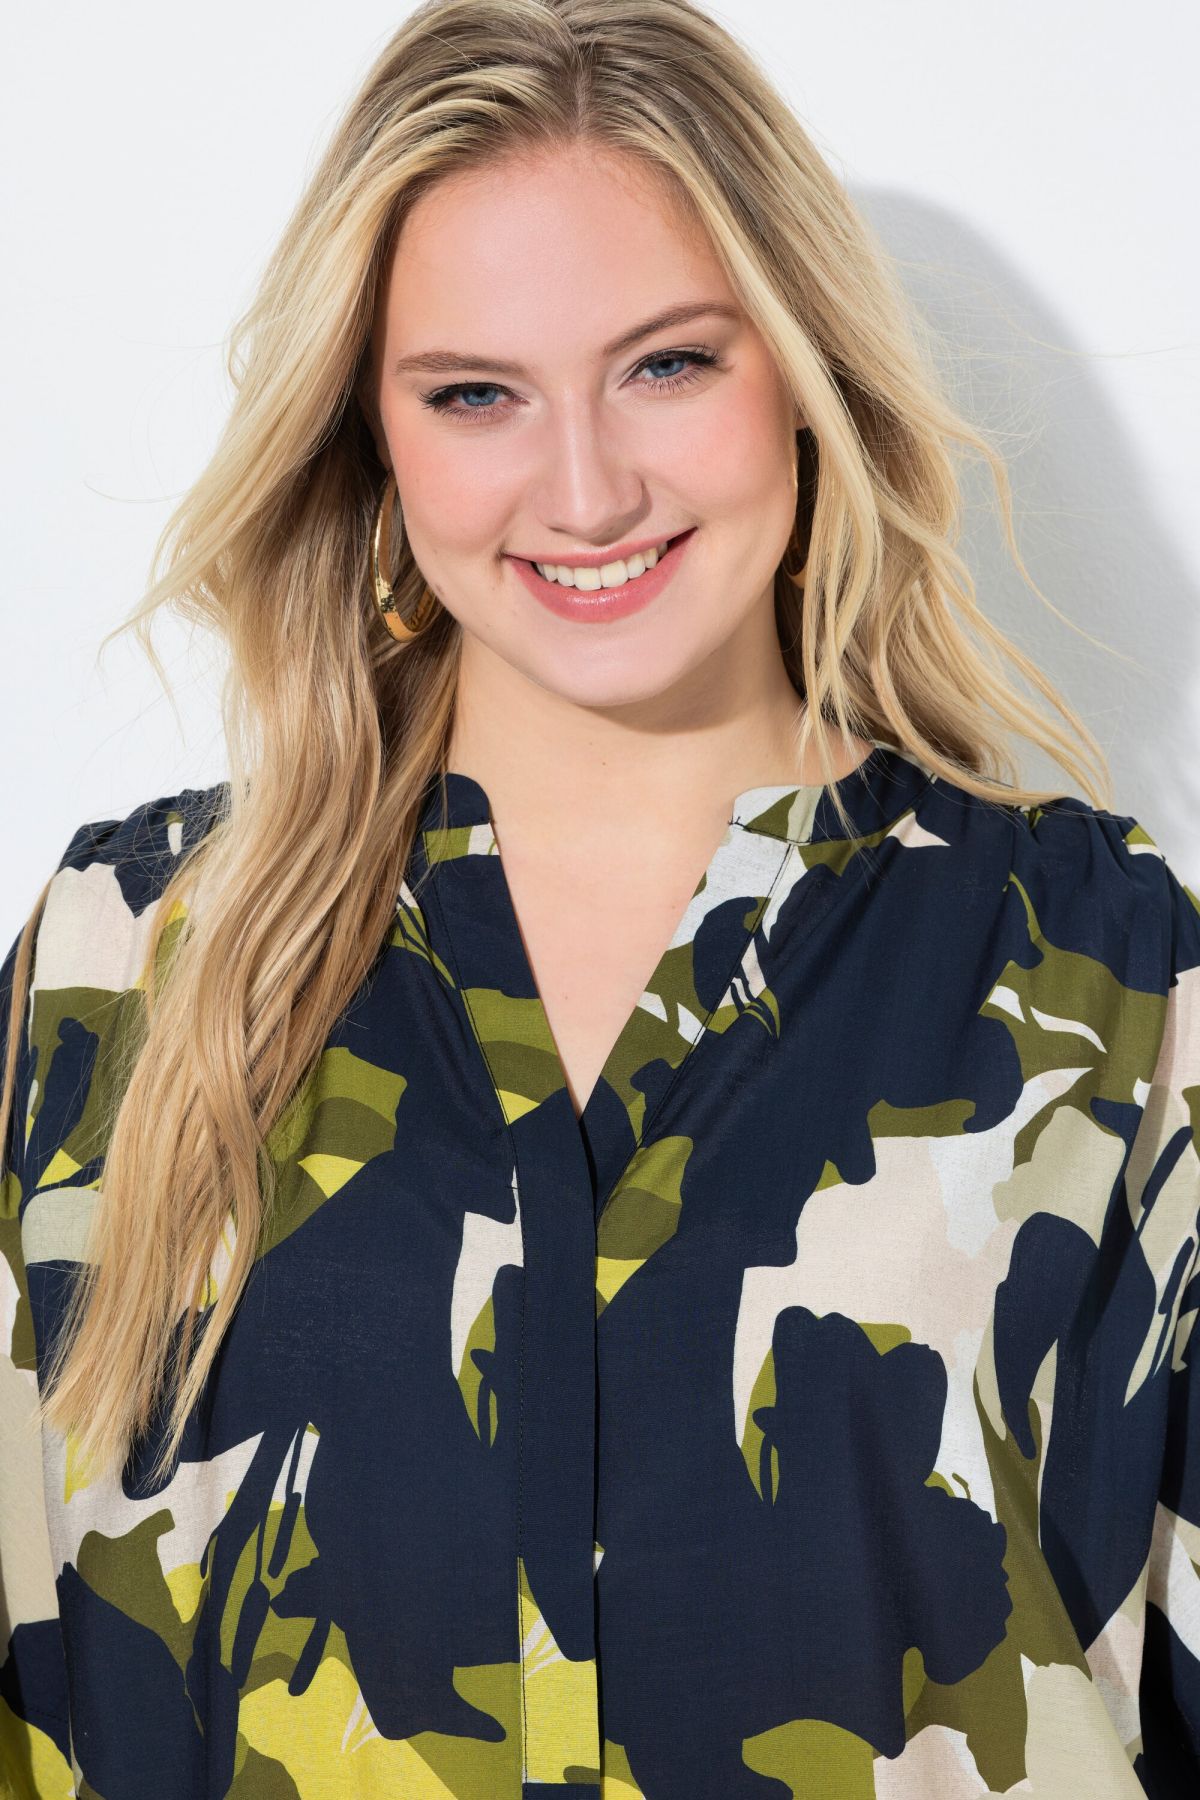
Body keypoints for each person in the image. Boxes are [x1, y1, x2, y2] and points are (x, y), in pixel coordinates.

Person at [2, 0, 1197, 1793]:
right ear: (371, 437)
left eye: (668, 365)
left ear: (802, 368)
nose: (585, 488)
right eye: (474, 393)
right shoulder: (125, 959)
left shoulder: (1111, 976)